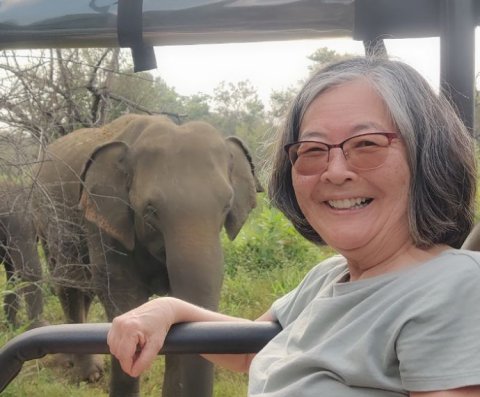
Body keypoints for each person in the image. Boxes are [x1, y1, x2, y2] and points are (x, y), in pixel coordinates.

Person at [107, 56, 480, 396]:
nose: (334, 172)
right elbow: (257, 349)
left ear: (427, 156)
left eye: (367, 144)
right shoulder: (327, 279)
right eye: (313, 150)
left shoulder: (453, 289)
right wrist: (172, 308)